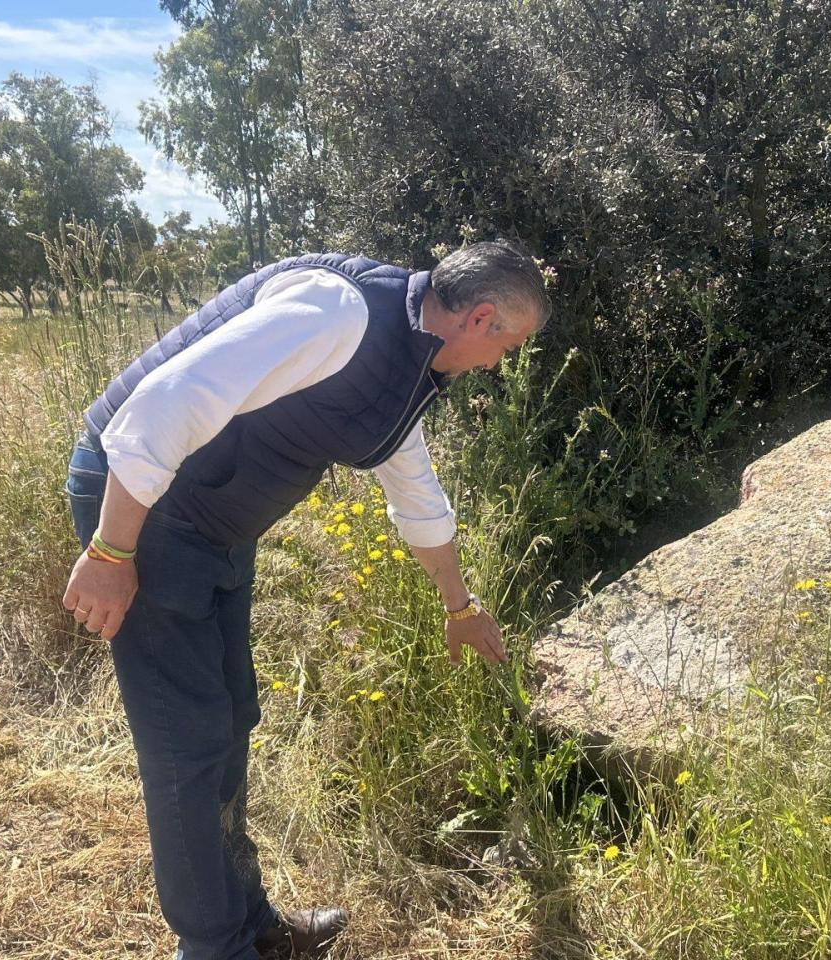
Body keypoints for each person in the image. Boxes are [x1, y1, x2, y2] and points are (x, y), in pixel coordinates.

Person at [61, 242, 549, 960]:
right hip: (143, 509)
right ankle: (213, 948)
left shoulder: (406, 362)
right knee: (187, 745)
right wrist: (111, 552)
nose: (501, 364)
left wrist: (460, 605)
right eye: (509, 344)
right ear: (479, 317)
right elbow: (167, 403)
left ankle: (251, 925)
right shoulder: (339, 313)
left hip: (212, 523)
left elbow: (416, 492)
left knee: (231, 720)